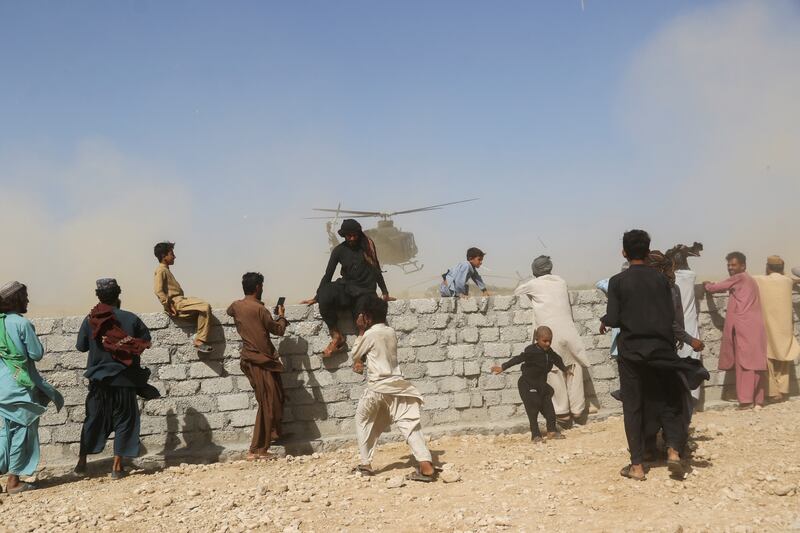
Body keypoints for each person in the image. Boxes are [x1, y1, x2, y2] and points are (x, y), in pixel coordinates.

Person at [600, 230, 687, 481]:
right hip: (662, 348)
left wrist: (605, 320)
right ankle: (672, 451)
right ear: (648, 252)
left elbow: (615, 318)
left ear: (624, 252)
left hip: (632, 353)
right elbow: (668, 316)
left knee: (634, 407)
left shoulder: (617, 281)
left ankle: (637, 466)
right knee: (669, 400)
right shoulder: (662, 280)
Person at [75, 279, 158, 478]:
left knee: (93, 419)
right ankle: (117, 468)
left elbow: (81, 346)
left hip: (99, 380)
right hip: (125, 380)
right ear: (118, 294)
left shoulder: (90, 320)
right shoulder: (131, 318)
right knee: (125, 420)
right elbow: (144, 342)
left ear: (98, 296)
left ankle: (81, 463)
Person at [351, 295, 435, 482]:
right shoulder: (390, 331)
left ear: (368, 316)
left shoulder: (370, 333)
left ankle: (365, 464)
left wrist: (361, 330)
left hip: (377, 388)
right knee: (410, 425)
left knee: (362, 420)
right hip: (397, 386)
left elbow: (355, 354)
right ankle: (426, 465)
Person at [0, 282, 63, 494]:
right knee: (22, 432)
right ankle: (13, 481)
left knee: (7, 432)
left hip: (2, 386)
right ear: (17, 300)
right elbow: (36, 354)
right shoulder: (21, 323)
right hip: (20, 386)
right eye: (25, 297)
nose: (28, 301)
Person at [514, 255, 589, 428]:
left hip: (550, 333)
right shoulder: (561, 281)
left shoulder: (533, 284)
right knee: (573, 367)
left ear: (534, 271)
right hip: (569, 332)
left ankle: (562, 412)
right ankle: (578, 409)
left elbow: (517, 293)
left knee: (554, 371)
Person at [301, 219, 394, 357]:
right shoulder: (339, 250)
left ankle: (359, 356)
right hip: (347, 287)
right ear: (344, 235)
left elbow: (376, 270)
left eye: (354, 235)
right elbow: (328, 274)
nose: (352, 238)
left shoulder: (367, 247)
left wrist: (384, 292)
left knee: (361, 318)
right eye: (348, 235)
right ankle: (336, 336)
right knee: (325, 294)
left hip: (365, 291)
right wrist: (317, 296)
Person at [227, 272, 288, 460]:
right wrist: (282, 317)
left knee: (273, 398)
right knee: (269, 402)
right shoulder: (261, 310)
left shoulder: (236, 306)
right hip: (261, 361)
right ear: (258, 288)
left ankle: (272, 435)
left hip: (252, 361)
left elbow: (229, 311)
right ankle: (258, 449)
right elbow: (278, 330)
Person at [704, 252, 768, 408]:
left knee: (744, 364)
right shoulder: (750, 280)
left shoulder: (739, 278)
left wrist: (706, 285)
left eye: (733, 265)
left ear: (743, 266)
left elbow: (715, 288)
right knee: (756, 363)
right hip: (755, 326)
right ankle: (758, 399)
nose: (730, 268)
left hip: (744, 327)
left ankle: (746, 401)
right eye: (728, 266)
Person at [491, 326, 568, 443]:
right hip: (527, 384)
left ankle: (551, 431)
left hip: (541, 385)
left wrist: (565, 369)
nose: (548, 344)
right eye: (545, 341)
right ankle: (535, 435)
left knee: (549, 407)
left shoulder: (549, 352)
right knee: (533, 409)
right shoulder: (531, 351)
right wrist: (503, 367)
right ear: (537, 339)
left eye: (550, 341)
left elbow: (557, 359)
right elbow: (518, 359)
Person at [753, 256, 800, 403]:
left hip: (768, 327)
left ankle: (773, 392)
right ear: (782, 268)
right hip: (784, 328)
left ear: (768, 267)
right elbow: (795, 278)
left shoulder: (760, 279)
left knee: (768, 358)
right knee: (785, 358)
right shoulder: (787, 281)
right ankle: (783, 390)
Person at [153, 242, 213, 353]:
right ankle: (199, 341)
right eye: (171, 254)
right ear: (163, 256)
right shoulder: (161, 270)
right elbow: (158, 290)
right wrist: (168, 305)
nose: (174, 256)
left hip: (181, 300)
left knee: (202, 307)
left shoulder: (165, 269)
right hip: (177, 303)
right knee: (205, 306)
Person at [665, 242, 705, 400]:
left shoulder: (670, 282)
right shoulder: (690, 277)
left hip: (675, 328)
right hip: (689, 326)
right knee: (692, 362)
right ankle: (692, 399)